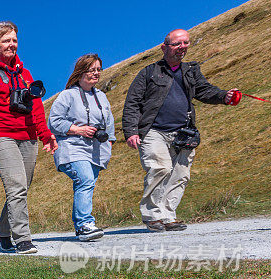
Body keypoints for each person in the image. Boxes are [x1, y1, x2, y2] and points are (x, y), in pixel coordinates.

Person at [123, 29, 237, 232]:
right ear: (164, 47)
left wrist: (223, 96)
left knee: (180, 174)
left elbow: (204, 90)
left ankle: (168, 215)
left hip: (184, 132)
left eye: (186, 43)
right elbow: (133, 102)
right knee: (160, 168)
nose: (182, 47)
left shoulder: (191, 70)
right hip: (154, 131)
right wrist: (131, 131)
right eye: (177, 44)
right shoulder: (149, 72)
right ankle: (152, 215)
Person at [0, 21, 57, 254]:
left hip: (28, 137)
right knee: (16, 185)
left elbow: (37, 109)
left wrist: (46, 135)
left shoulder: (26, 75)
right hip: (0, 136)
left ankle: (2, 232)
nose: (12, 44)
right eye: (6, 40)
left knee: (21, 188)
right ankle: (23, 239)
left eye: (15, 40)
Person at [48, 54, 115, 241]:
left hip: (96, 150)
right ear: (81, 71)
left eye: (98, 69)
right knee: (85, 180)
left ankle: (82, 227)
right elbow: (53, 122)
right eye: (91, 69)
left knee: (88, 184)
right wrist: (78, 129)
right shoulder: (67, 95)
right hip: (72, 147)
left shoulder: (101, 96)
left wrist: (109, 141)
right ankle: (85, 224)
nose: (96, 73)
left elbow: (109, 123)